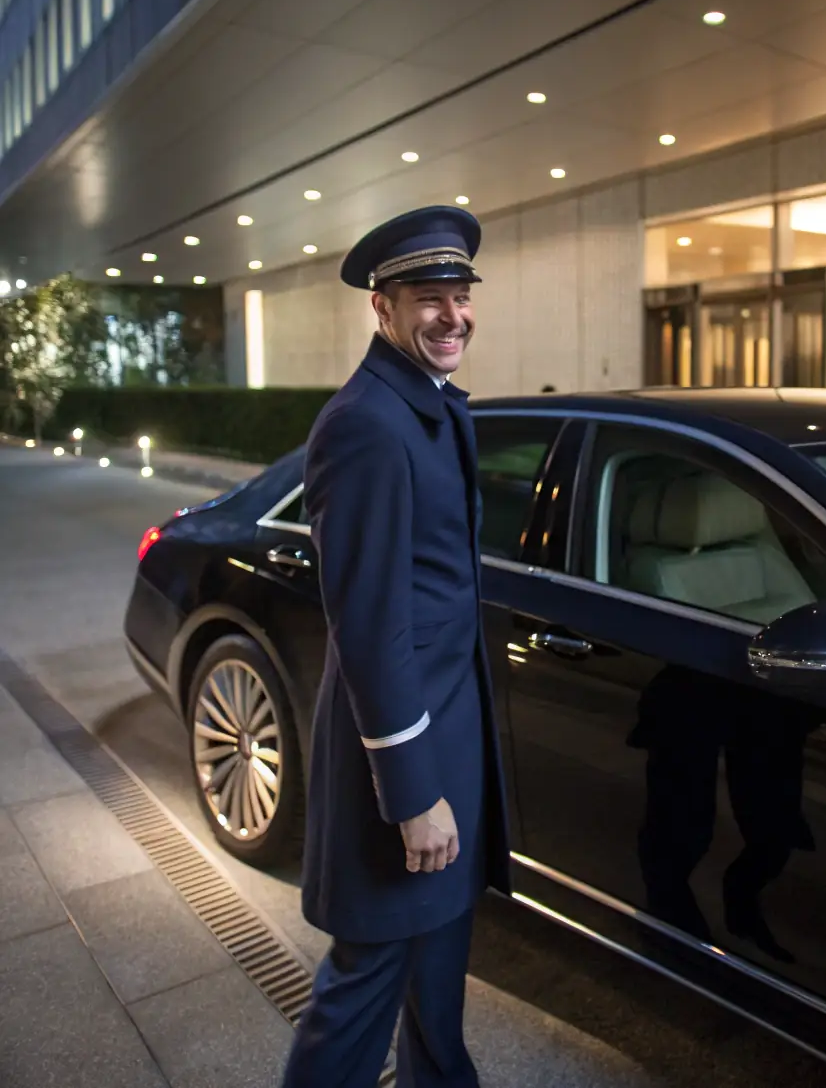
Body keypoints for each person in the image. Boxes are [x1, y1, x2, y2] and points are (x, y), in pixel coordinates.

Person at [281, 206, 509, 1088]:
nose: (452, 315)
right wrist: (416, 793)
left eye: (460, 295)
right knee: (362, 997)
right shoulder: (367, 422)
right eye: (428, 298)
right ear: (381, 308)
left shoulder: (432, 406)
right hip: (405, 777)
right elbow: (370, 625)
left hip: (447, 758)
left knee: (437, 1005)